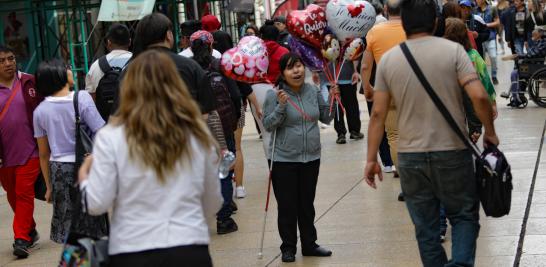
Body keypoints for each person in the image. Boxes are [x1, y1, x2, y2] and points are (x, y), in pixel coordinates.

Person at [364, 0, 499, 266]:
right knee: (463, 216)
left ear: (403, 23)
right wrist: (490, 133)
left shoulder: (390, 59)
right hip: (452, 151)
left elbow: (378, 114)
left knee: (425, 228)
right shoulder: (454, 52)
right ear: (436, 22)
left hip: (410, 156)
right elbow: (479, 97)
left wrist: (371, 159)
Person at [78, 50, 222, 266]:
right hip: (189, 247)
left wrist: (84, 177)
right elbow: (212, 203)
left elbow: (97, 204)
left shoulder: (111, 138)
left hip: (132, 249)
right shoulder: (197, 135)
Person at [262, 53, 335, 263]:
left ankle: (309, 244)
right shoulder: (273, 95)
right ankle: (288, 248)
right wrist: (281, 107)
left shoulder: (312, 90)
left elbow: (326, 117)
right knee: (287, 206)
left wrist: (332, 97)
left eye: (299, 66)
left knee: (306, 204)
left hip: (311, 157)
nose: (296, 71)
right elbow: (268, 124)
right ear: (282, 74)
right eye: (290, 68)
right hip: (284, 159)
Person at [33, 59, 108, 244]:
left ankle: (76, 260)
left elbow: (43, 154)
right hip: (86, 165)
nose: (70, 71)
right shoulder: (81, 98)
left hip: (58, 170)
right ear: (58, 75)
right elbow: (102, 132)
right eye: (66, 69)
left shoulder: (40, 111)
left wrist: (49, 186)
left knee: (69, 227)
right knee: (93, 221)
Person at [189, 30, 241, 234]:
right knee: (224, 170)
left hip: (198, 128)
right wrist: (235, 118)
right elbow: (235, 94)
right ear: (212, 46)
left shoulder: (187, 67)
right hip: (224, 124)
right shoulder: (221, 65)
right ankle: (224, 219)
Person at [123, 13, 215, 117]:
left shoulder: (129, 71)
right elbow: (205, 113)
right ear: (168, 35)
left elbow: (118, 114)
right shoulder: (190, 66)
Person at [0, 45, 43, 258]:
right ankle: (30, 229)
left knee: (24, 193)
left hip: (32, 151)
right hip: (5, 156)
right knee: (12, 196)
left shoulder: (29, 81)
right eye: (2, 61)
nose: (8, 63)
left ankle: (21, 239)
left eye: (11, 58)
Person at [361, 0, 404, 180]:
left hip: (387, 88)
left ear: (386, 9)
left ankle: (403, 177)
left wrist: (367, 88)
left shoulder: (374, 32)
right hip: (414, 87)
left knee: (393, 135)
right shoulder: (414, 29)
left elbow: (365, 66)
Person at [85, 23, 132, 100]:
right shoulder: (139, 62)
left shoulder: (96, 66)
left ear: (109, 42)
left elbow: (91, 100)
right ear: (130, 42)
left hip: (106, 112)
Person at [475, 0, 500, 85]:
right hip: (480, 38)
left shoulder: (492, 8)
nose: (476, 1)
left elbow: (497, 22)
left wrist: (486, 25)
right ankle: (483, 78)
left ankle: (494, 76)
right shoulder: (475, 10)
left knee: (493, 57)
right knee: (481, 59)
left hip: (490, 37)